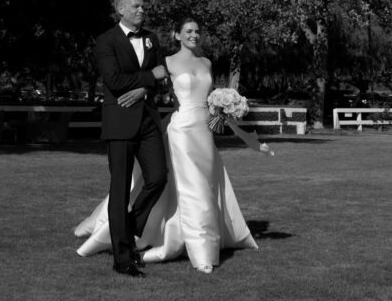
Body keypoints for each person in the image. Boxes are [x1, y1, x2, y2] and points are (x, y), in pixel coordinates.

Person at [75, 16, 258, 273]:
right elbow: (155, 85)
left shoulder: (207, 62)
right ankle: (200, 248)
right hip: (181, 130)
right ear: (177, 35)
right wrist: (141, 90)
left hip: (204, 131)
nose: (194, 35)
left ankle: (198, 235)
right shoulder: (168, 62)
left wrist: (223, 106)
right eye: (188, 31)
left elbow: (206, 96)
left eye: (197, 31)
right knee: (188, 186)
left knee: (206, 183)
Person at [90, 0, 170, 277]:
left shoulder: (151, 39)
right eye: (136, 6)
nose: (142, 10)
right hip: (120, 123)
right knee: (120, 189)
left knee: (159, 177)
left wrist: (142, 89)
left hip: (149, 121)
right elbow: (113, 81)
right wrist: (148, 79)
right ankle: (123, 259)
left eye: (143, 6)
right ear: (120, 9)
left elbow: (164, 77)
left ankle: (130, 225)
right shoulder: (105, 41)